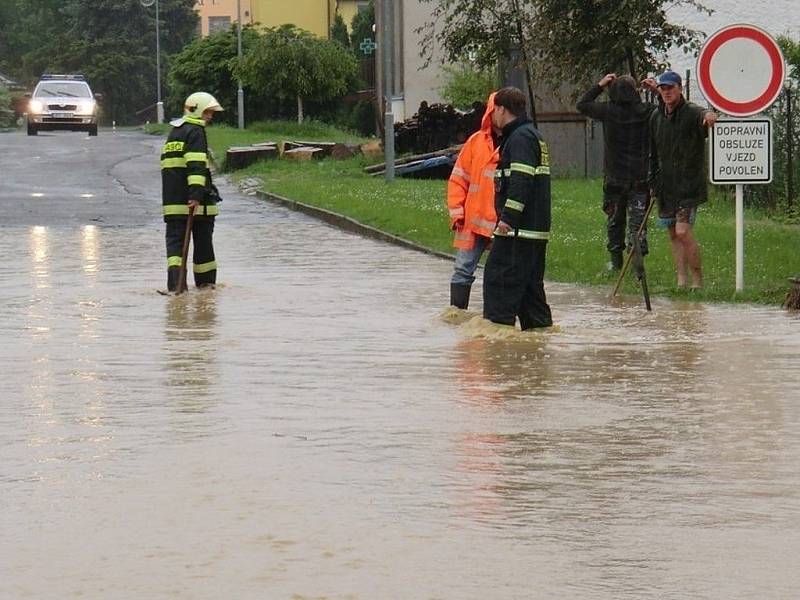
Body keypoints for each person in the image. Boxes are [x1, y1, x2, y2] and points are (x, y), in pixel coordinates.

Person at [482, 87, 552, 329]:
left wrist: (507, 220)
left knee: (498, 284)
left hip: (518, 232)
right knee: (530, 296)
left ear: (502, 109)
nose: (491, 116)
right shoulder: (530, 135)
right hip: (532, 232)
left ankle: (498, 349)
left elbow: (521, 182)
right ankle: (538, 343)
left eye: (493, 111)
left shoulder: (520, 138)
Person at [643, 70, 717, 289]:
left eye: (670, 88)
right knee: (673, 233)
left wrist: (710, 116)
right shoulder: (656, 117)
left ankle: (698, 281)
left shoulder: (692, 112)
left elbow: (705, 116)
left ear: (679, 89)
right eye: (663, 88)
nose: (667, 92)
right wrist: (652, 183)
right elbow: (653, 154)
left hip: (688, 186)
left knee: (683, 231)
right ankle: (681, 280)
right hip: (665, 187)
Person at [577, 73, 656, 272]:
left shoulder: (608, 111)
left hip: (614, 178)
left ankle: (615, 262)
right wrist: (655, 90)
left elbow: (583, 104)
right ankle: (637, 264)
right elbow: (668, 109)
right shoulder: (646, 111)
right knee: (638, 224)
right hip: (640, 177)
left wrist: (599, 85)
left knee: (614, 220)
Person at [160, 92, 224, 292]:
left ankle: (175, 287)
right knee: (203, 247)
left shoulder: (175, 132)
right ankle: (206, 287)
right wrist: (196, 196)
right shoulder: (195, 131)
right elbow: (196, 167)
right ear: (198, 110)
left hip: (172, 204)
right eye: (208, 112)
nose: (210, 116)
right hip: (195, 205)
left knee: (175, 249)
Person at [447, 92, 500, 309]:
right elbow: (458, 179)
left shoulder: (516, 141)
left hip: (502, 222)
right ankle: (457, 314)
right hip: (472, 220)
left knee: (499, 273)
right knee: (462, 270)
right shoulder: (475, 142)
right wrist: (457, 212)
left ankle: (496, 318)